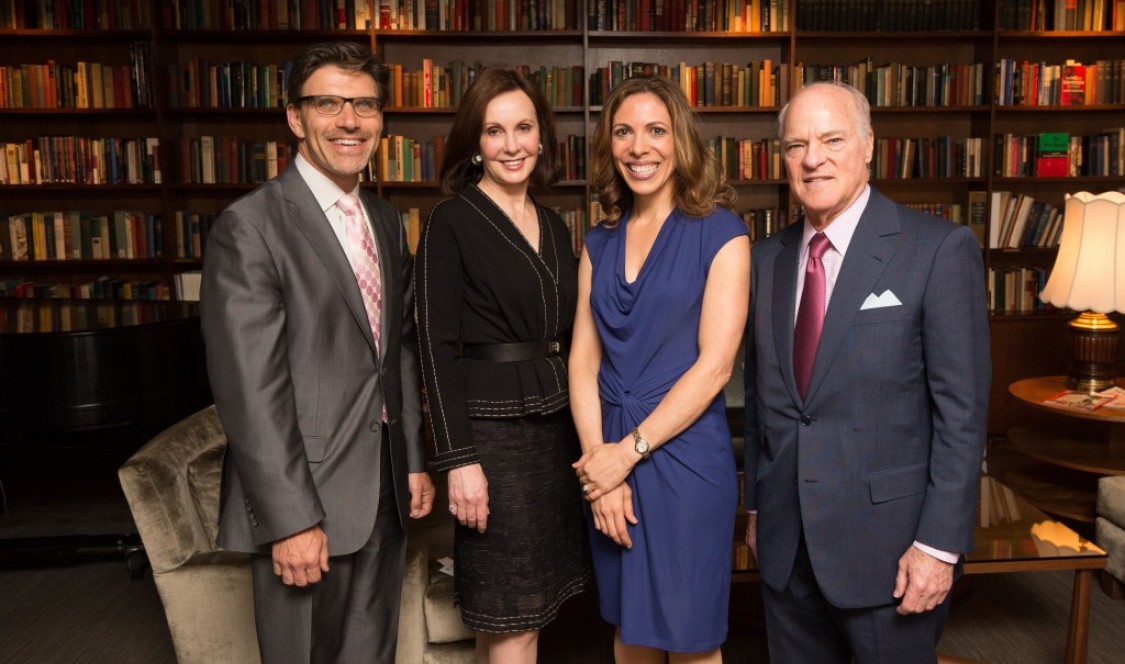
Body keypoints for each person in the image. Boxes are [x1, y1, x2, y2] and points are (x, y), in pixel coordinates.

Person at [200, 41, 434, 664]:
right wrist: (290, 519)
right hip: (308, 503)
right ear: (294, 117)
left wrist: (409, 457)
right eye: (328, 103)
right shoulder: (250, 226)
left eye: (364, 104)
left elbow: (399, 348)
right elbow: (251, 393)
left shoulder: (384, 219)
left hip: (383, 489)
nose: (349, 120)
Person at [742, 80, 991, 663]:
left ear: (869, 145)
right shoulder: (764, 260)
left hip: (892, 555)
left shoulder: (937, 249)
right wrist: (757, 507)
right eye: (796, 145)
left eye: (831, 139)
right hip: (786, 549)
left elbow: (962, 414)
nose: (812, 159)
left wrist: (939, 545)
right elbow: (762, 401)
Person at [570, 76, 750, 662]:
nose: (639, 147)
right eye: (624, 132)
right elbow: (582, 360)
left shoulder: (722, 233)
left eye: (655, 130)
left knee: (693, 638)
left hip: (685, 459)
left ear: (681, 141)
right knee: (630, 631)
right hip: (611, 463)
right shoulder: (597, 242)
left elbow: (716, 367)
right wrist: (602, 469)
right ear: (610, 144)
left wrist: (629, 451)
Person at [414, 67, 589, 662]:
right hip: (491, 437)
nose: (511, 145)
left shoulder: (552, 221)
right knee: (513, 614)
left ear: (542, 137)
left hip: (553, 427)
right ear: (475, 144)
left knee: (517, 614)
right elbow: (433, 348)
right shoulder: (451, 221)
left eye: (523, 128)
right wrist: (458, 460)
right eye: (494, 131)